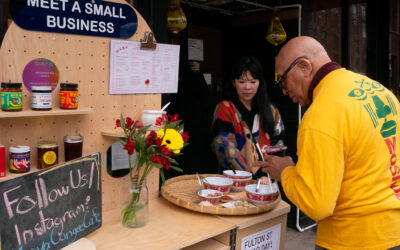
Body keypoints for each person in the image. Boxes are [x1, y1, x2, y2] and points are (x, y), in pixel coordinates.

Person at [253, 36, 400, 249]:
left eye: (283, 80)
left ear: (304, 66)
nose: (284, 91)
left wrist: (285, 172)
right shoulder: (381, 92)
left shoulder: (321, 113)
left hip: (351, 238)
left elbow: (317, 204)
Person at [210, 56, 285, 178]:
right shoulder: (225, 109)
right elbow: (226, 150)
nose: (247, 87)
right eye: (241, 82)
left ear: (260, 82)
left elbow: (279, 145)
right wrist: (255, 177)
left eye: (253, 82)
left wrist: (270, 174)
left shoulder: (271, 110)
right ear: (234, 82)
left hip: (268, 181)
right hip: (235, 180)